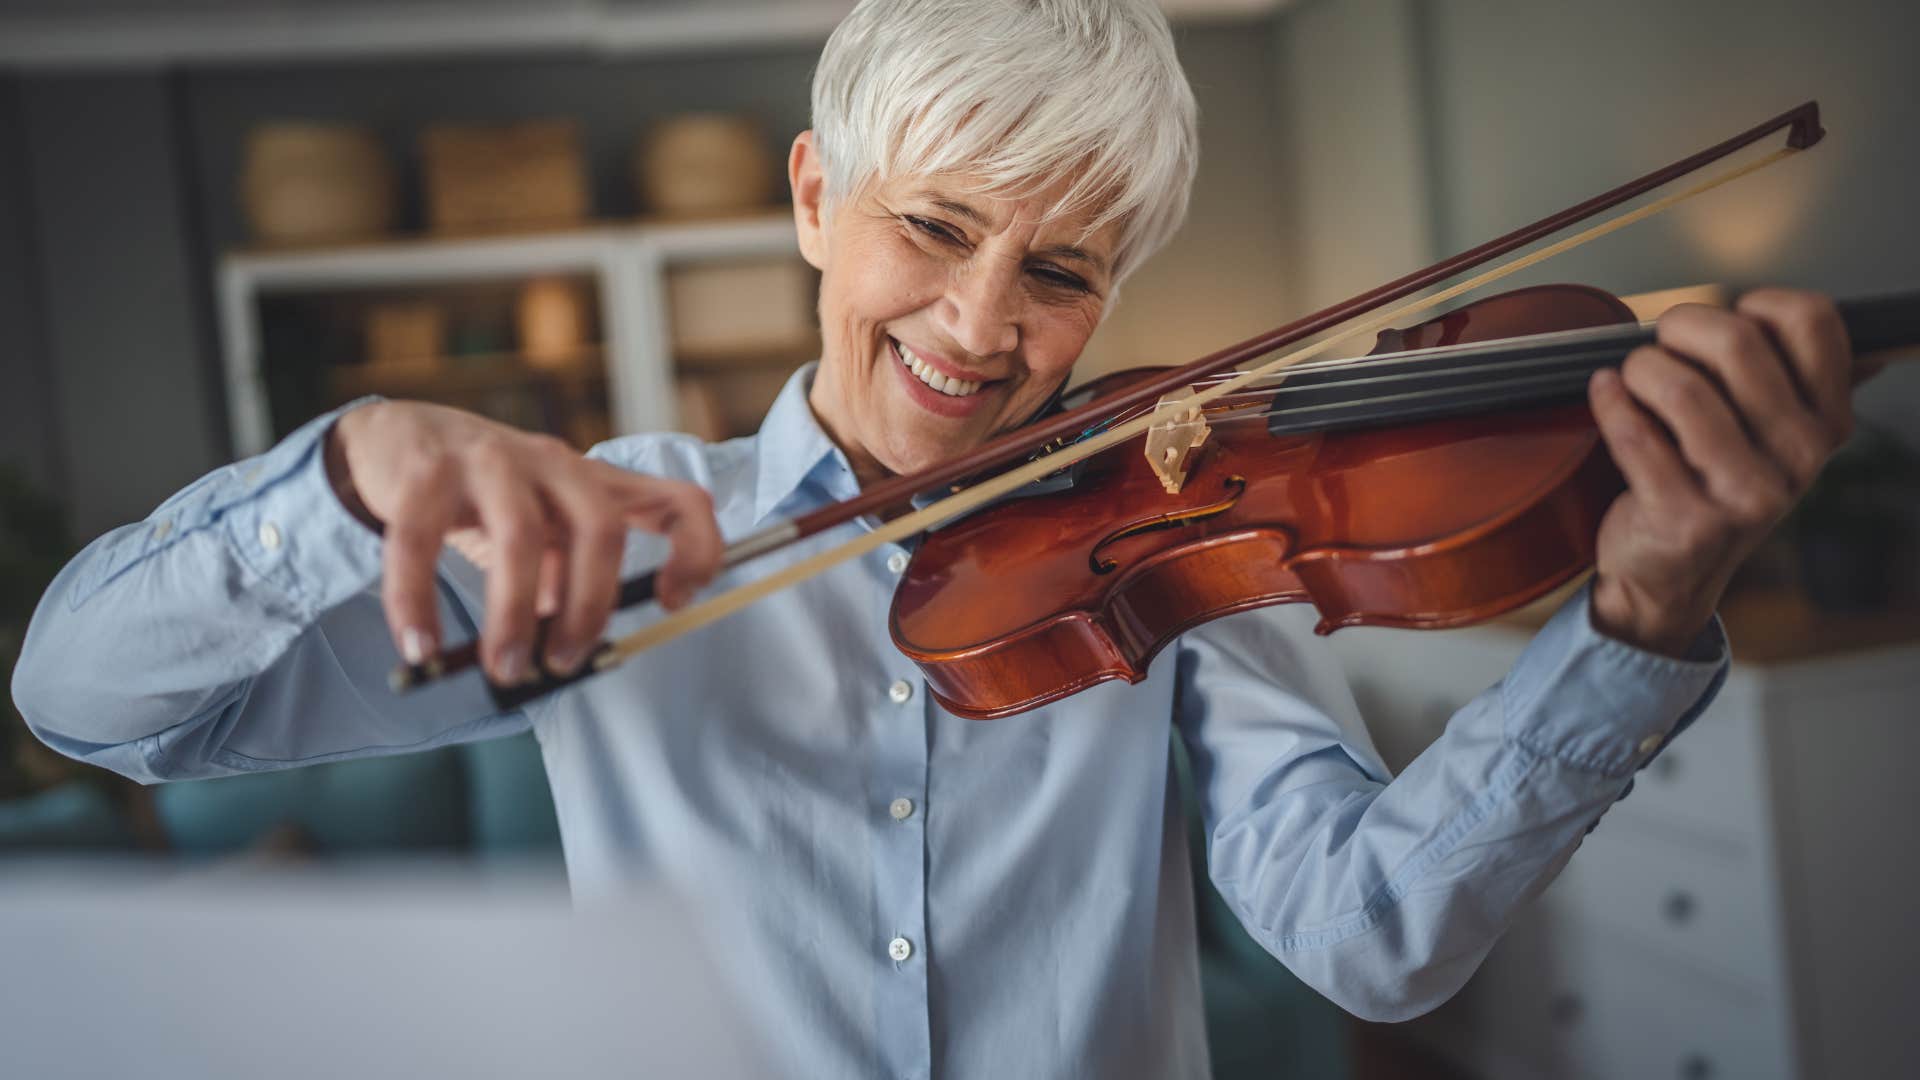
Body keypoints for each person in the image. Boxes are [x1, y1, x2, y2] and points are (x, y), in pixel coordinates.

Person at [12, 1, 1864, 1076]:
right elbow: (96, 706)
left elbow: (1370, 940)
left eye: (1059, 270)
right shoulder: (618, 535)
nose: (983, 328)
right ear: (817, 199)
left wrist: (1640, 611)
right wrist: (350, 467)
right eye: (936, 227)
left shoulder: (1170, 532)